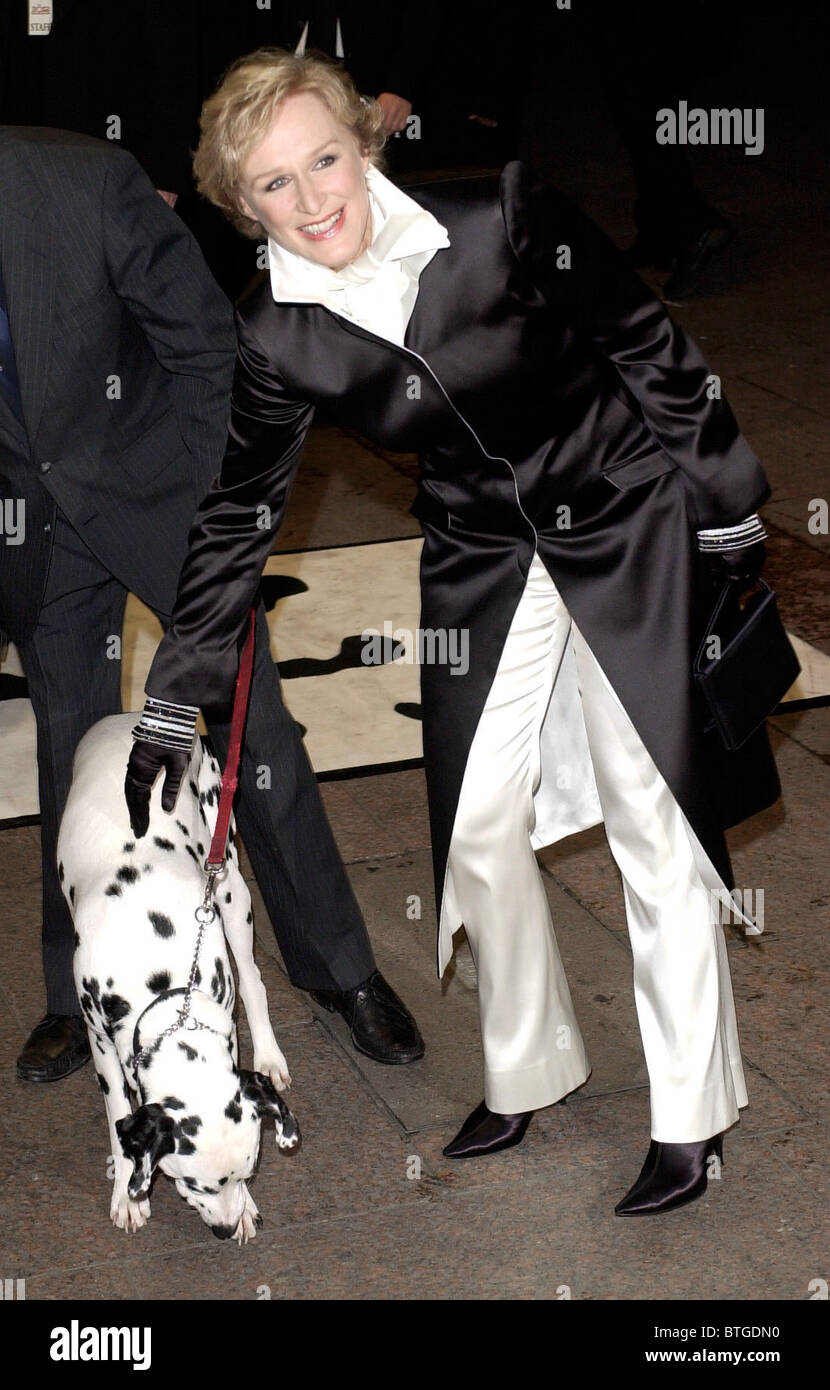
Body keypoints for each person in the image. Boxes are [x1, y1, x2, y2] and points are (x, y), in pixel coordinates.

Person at [125, 48, 784, 1216]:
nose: (314, 199)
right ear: (240, 206)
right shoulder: (273, 332)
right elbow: (236, 514)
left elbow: (646, 343)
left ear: (365, 142)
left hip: (620, 506)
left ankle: (691, 1116)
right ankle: (530, 1067)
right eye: (274, 185)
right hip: (480, 546)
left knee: (649, 807)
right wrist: (176, 695)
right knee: (476, 823)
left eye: (324, 158)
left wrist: (725, 501)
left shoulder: (501, 214)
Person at [0, 123, 423, 1083]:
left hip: (157, 491)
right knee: (69, 751)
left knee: (250, 728)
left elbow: (208, 354)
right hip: (35, 522)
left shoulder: (83, 182)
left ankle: (335, 967)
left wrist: (211, 520)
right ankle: (78, 991)